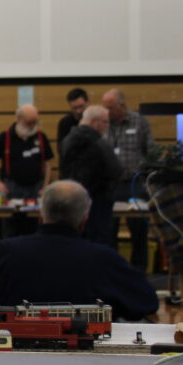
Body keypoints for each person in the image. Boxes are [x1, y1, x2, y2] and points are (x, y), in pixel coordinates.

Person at [0, 180, 158, 321]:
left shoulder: (6, 252)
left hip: (14, 362)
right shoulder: (105, 260)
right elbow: (147, 301)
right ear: (84, 220)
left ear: (41, 215)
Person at [101, 88, 156, 272]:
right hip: (111, 185)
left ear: (121, 106)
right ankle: (112, 270)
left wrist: (149, 181)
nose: (106, 111)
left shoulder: (140, 122)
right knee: (109, 229)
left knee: (139, 229)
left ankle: (139, 271)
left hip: (135, 184)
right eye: (104, 107)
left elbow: (150, 151)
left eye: (110, 107)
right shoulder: (103, 124)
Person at [59, 105, 121, 246]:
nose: (108, 125)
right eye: (105, 121)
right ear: (94, 121)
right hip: (98, 203)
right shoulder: (98, 143)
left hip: (73, 201)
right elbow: (116, 170)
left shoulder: (67, 141)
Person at [0, 104, 53, 201]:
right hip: (12, 188)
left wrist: (46, 186)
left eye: (35, 122)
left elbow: (47, 164)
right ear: (18, 119)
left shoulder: (41, 137)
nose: (32, 126)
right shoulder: (4, 137)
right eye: (29, 123)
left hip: (36, 188)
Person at [56, 87, 88, 153]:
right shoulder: (65, 123)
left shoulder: (95, 121)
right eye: (74, 108)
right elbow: (61, 149)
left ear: (88, 102)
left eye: (81, 106)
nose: (78, 111)